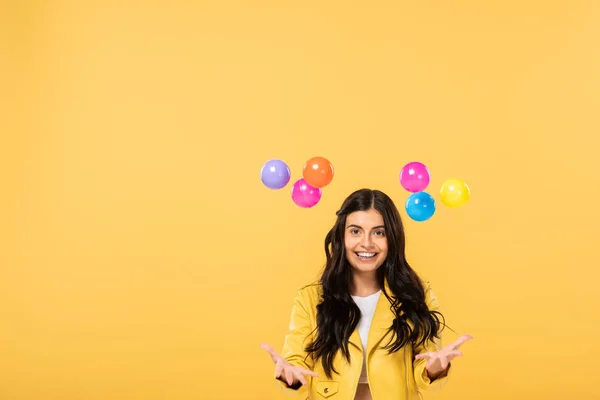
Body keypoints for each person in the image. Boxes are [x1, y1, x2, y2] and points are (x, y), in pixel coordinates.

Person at [261, 189, 473, 400]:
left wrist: (434, 368)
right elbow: (296, 360)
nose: (367, 243)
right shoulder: (310, 298)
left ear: (392, 238)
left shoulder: (417, 295)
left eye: (379, 232)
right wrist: (291, 375)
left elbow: (425, 363)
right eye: (355, 231)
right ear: (341, 237)